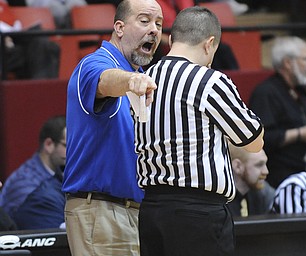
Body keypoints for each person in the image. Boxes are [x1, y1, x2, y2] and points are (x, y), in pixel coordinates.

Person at [132, 6, 264, 256]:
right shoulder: (209, 80)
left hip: (150, 209)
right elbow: (253, 142)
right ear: (210, 43)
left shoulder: (142, 79)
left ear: (170, 40)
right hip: (198, 212)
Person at [61, 0, 162, 255]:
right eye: (145, 21)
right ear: (119, 27)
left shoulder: (139, 75)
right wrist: (131, 80)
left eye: (159, 24)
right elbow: (106, 81)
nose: (154, 30)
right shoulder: (94, 64)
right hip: (102, 211)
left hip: (136, 212)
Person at [249, 36, 306, 188]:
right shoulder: (266, 92)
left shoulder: (301, 90)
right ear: (288, 63)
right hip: (282, 180)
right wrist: (301, 134)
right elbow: (260, 139)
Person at [0, 115, 66, 223]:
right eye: (67, 145)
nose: (74, 152)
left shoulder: (58, 176)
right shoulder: (24, 182)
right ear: (49, 145)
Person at [0, 1, 60, 79]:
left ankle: (41, 86)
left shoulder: (3, 4)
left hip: (11, 41)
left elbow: (14, 24)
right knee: (44, 48)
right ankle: (43, 87)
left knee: (43, 43)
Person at [227, 143, 275, 217]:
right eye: (259, 165)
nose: (266, 171)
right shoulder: (217, 204)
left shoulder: (262, 195)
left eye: (265, 164)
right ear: (238, 166)